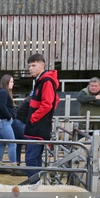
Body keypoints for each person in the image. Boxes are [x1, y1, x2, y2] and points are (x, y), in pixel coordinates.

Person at [23, 53, 59, 181]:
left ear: (42, 65)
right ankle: (37, 184)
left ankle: (34, 185)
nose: (30, 68)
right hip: (37, 126)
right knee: (35, 157)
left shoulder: (46, 81)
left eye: (33, 65)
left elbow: (47, 104)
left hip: (37, 128)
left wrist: (34, 118)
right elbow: (56, 99)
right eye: (29, 66)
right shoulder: (41, 81)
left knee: (31, 158)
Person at [0, 74, 18, 169]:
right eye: (11, 82)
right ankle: (14, 165)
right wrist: (9, 117)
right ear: (6, 82)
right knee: (12, 144)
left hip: (2, 121)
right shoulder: (4, 93)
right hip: (5, 122)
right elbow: (2, 106)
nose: (13, 83)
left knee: (2, 144)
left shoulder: (2, 92)